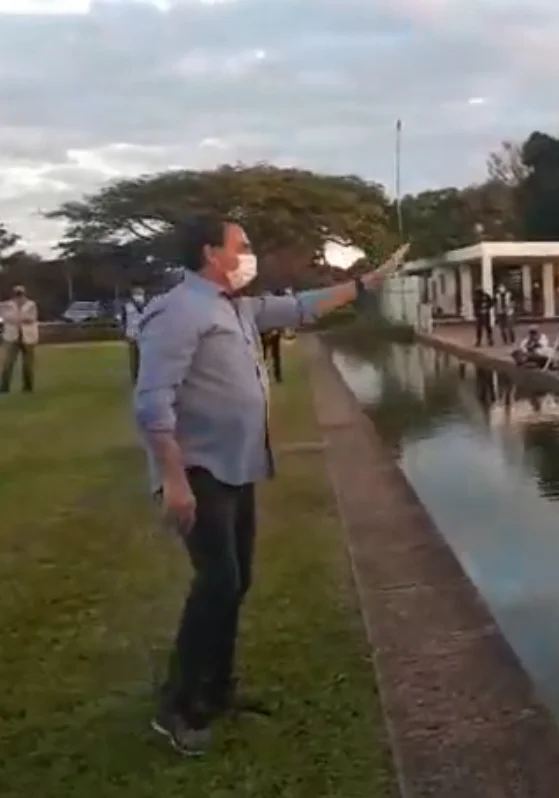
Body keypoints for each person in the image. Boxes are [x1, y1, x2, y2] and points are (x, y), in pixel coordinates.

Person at [134, 215, 408, 755]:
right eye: (242, 246)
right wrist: (173, 479)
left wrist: (364, 284)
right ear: (212, 253)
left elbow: (303, 306)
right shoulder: (179, 311)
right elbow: (151, 403)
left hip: (238, 466)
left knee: (236, 581)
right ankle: (177, 705)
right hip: (200, 471)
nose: (249, 254)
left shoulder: (234, 307)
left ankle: (216, 689)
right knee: (216, 582)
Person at [0, 285, 39, 393]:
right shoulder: (7, 305)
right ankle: (4, 387)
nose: (19, 296)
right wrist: (19, 318)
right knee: (8, 363)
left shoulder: (31, 305)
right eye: (17, 294)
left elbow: (32, 318)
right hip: (12, 337)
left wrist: (16, 318)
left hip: (28, 337)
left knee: (27, 364)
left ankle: (28, 387)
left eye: (20, 294)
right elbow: (4, 317)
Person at [122, 285, 150, 384]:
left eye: (140, 294)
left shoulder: (148, 305)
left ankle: (144, 377)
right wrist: (125, 334)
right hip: (132, 335)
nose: (139, 296)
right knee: (135, 358)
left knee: (145, 358)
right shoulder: (127, 306)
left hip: (145, 335)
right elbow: (124, 321)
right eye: (137, 293)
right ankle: (135, 378)